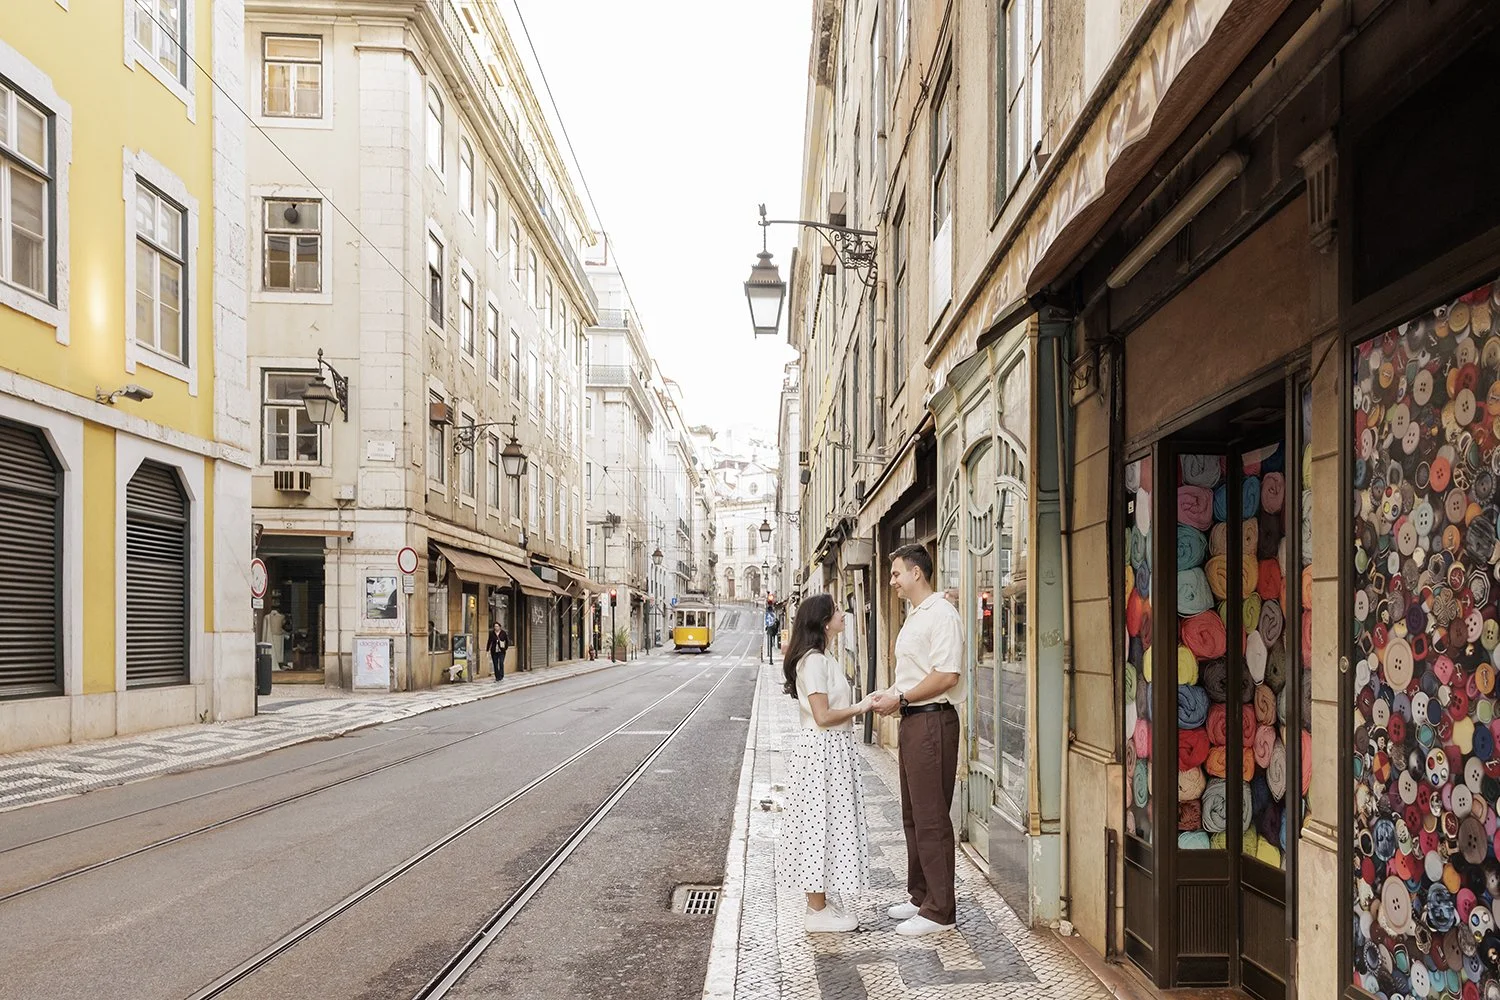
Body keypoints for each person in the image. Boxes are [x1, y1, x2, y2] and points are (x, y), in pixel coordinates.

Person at [869, 543, 965, 936]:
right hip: (913, 720)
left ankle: (941, 911)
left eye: (896, 574)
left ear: (916, 574)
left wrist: (903, 697)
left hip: (932, 722)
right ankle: (920, 897)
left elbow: (947, 676)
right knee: (913, 815)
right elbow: (915, 673)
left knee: (931, 817)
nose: (892, 580)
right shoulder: (917, 615)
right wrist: (892, 695)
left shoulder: (941, 613)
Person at [779, 593, 872, 933]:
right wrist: (861, 708)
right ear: (823, 622)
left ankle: (818, 903)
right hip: (822, 751)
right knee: (818, 826)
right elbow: (822, 715)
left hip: (828, 751)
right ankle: (816, 910)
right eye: (836, 610)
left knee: (824, 825)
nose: (843, 613)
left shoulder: (822, 657)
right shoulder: (814, 661)